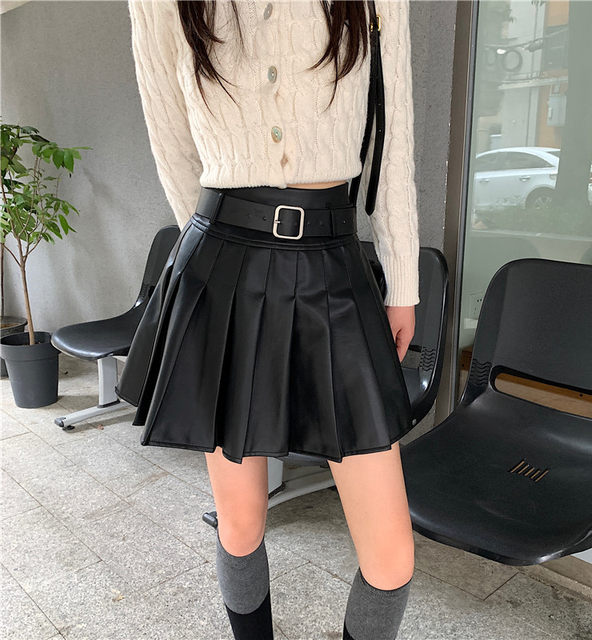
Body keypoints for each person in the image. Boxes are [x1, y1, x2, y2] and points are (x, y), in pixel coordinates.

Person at [117, 1, 420, 638]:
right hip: (223, 263)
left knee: (392, 558)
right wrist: (209, 272)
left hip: (335, 262)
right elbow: (171, 139)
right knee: (240, 522)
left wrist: (403, 281)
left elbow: (394, 138)